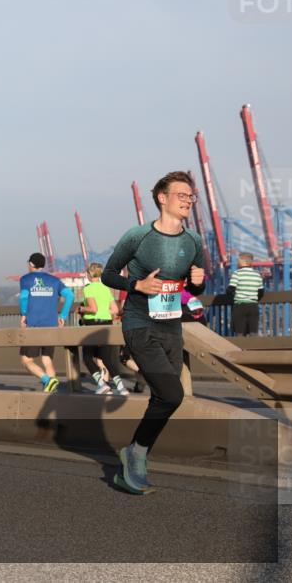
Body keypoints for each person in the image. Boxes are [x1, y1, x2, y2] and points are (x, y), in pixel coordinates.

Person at [103, 171, 206, 494]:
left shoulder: (194, 241)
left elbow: (196, 283)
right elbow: (107, 274)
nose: (188, 201)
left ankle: (134, 454)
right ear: (162, 198)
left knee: (166, 397)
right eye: (182, 195)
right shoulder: (137, 236)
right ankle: (137, 453)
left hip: (171, 325)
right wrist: (137, 284)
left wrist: (200, 281)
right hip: (139, 323)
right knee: (172, 394)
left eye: (191, 197)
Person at [19, 253, 74, 393]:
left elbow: (24, 297)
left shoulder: (26, 279)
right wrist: (63, 316)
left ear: (31, 264)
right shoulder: (54, 280)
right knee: (47, 358)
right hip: (51, 325)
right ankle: (52, 391)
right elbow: (70, 295)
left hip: (34, 326)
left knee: (26, 360)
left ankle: (47, 380)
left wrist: (24, 314)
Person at [78, 263, 126, 395]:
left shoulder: (88, 289)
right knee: (106, 358)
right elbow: (115, 310)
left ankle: (101, 384)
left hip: (92, 324)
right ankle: (121, 387)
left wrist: (81, 309)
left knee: (87, 357)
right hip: (107, 324)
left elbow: (93, 309)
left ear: (89, 274)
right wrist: (105, 312)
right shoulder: (105, 288)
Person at [228, 252, 263, 337]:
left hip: (240, 305)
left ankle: (241, 350)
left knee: (240, 331)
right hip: (253, 306)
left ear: (243, 261)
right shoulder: (257, 275)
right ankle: (253, 349)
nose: (237, 262)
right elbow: (261, 292)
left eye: (238, 260)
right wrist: (254, 300)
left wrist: (233, 299)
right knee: (253, 331)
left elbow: (230, 290)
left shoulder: (237, 274)